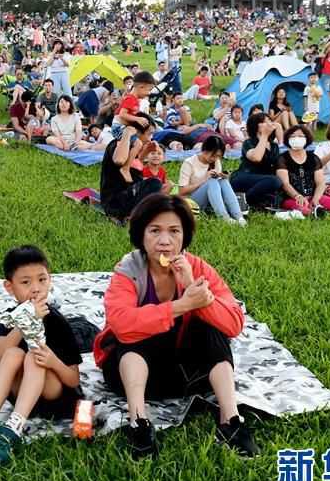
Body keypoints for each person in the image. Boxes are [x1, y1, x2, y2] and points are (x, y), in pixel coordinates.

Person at [94, 194, 257, 458]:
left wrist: (197, 294)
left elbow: (234, 324)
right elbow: (121, 324)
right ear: (141, 235)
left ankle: (231, 421)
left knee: (210, 329)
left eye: (174, 231)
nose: (165, 241)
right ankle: (139, 422)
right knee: (136, 331)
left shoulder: (196, 267)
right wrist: (181, 306)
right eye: (155, 231)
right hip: (134, 377)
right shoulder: (129, 270)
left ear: (184, 236)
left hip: (187, 376)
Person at [0, 245, 82, 465]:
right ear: (9, 287)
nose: (36, 288)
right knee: (13, 354)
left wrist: (53, 362)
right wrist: (25, 320)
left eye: (42, 280)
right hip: (21, 392)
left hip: (54, 397)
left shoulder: (57, 322)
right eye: (26, 282)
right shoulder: (11, 316)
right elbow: (0, 354)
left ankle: (12, 431)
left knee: (33, 356)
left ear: (50, 280)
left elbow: (74, 379)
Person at [276, 125, 330, 219]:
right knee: (301, 208)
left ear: (307, 139)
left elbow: (320, 182)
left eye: (301, 136)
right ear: (287, 139)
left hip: (313, 195)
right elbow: (285, 184)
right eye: (293, 136)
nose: (296, 139)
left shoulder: (313, 158)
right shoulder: (282, 159)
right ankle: (315, 213)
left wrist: (316, 198)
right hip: (291, 198)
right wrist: (297, 196)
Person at [177, 136, 246, 225]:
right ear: (205, 150)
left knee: (222, 181)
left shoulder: (216, 161)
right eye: (213, 155)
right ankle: (224, 218)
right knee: (211, 181)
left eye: (218, 156)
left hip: (211, 199)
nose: (215, 159)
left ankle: (239, 216)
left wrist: (224, 176)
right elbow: (182, 191)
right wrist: (204, 179)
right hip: (192, 202)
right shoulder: (189, 163)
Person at [100, 123, 162, 220]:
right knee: (155, 183)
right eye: (149, 134)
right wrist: (127, 134)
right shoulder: (119, 144)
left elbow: (134, 171)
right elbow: (119, 160)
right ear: (137, 133)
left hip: (126, 197)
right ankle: (134, 215)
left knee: (160, 187)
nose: (150, 138)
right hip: (114, 202)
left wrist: (145, 152)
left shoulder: (134, 148)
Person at [230, 113, 284, 209]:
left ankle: (251, 201)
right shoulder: (249, 143)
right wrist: (264, 135)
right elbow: (256, 157)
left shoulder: (274, 146)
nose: (269, 124)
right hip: (245, 177)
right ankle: (243, 200)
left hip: (264, 181)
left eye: (270, 121)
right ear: (255, 126)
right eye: (264, 122)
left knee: (278, 186)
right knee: (275, 181)